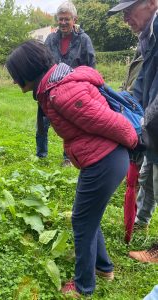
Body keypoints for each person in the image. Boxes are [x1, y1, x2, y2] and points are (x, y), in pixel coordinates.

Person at [6, 40, 137, 296]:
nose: (13, 81)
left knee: (82, 222)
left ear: (27, 71)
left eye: (14, 76)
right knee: (88, 216)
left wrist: (135, 142)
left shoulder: (62, 93)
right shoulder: (52, 89)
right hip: (102, 160)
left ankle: (83, 287)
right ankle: (103, 268)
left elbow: (111, 122)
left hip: (105, 161)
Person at [108, 0, 158, 263]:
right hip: (153, 126)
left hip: (155, 121)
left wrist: (140, 121)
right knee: (148, 175)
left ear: (151, 2)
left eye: (130, 9)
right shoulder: (147, 36)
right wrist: (123, 109)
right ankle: (141, 222)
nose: (125, 17)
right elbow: (141, 86)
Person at [36, 0, 96, 165]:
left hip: (73, 90)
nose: (63, 22)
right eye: (60, 19)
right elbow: (43, 62)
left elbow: (91, 67)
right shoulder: (50, 39)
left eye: (66, 19)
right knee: (42, 123)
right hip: (49, 88)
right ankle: (41, 156)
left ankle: (67, 158)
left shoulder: (84, 40)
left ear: (74, 19)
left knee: (70, 125)